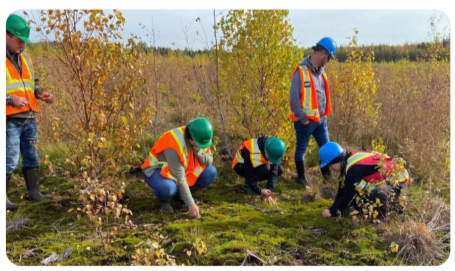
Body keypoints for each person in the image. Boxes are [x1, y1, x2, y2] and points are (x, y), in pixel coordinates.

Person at [6, 14, 53, 211]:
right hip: (9, 120)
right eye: (19, 40)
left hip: (30, 117)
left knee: (32, 157)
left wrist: (41, 94)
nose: (23, 45)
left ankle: (34, 193)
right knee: (8, 160)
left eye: (25, 41)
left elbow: (34, 85)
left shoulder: (26, 59)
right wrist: (11, 100)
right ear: (6, 35)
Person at [141, 117, 217, 218]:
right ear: (191, 139)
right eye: (200, 145)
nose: (203, 146)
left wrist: (199, 152)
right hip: (157, 171)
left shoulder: (201, 137)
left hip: (181, 170)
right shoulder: (174, 144)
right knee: (167, 188)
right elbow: (180, 178)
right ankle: (164, 202)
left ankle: (180, 196)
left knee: (211, 172)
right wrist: (191, 204)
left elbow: (209, 161)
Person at [289, 37, 337, 187]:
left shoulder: (322, 74)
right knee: (301, 151)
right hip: (305, 122)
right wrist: (302, 119)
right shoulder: (300, 72)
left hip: (321, 121)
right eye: (329, 58)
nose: (328, 61)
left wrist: (323, 116)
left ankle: (328, 183)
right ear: (323, 54)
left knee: (327, 151)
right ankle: (302, 181)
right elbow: (293, 98)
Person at [318, 142, 410, 219]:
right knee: (354, 204)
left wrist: (333, 212)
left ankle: (383, 218)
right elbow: (342, 191)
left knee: (377, 194)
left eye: (330, 165)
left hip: (398, 181)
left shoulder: (354, 168)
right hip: (386, 181)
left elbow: (348, 194)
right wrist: (332, 210)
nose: (330, 169)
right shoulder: (348, 162)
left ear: (336, 160)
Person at [232, 137, 286, 205]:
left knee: (279, 169)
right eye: (270, 159)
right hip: (241, 166)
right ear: (265, 150)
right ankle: (247, 186)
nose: (270, 162)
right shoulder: (251, 152)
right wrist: (259, 191)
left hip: (256, 165)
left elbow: (274, 172)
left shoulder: (273, 148)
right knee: (266, 168)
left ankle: (254, 184)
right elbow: (248, 174)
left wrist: (269, 191)